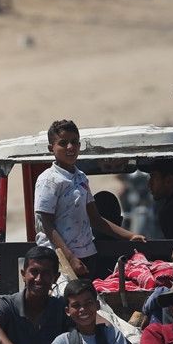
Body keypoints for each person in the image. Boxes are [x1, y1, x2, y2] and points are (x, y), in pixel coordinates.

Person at [35, 119, 145, 280]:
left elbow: (96, 219)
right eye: (63, 143)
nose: (70, 147)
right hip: (59, 260)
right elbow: (46, 223)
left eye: (74, 142)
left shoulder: (81, 177)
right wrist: (70, 258)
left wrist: (130, 236)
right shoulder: (49, 179)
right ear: (51, 148)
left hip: (86, 255)